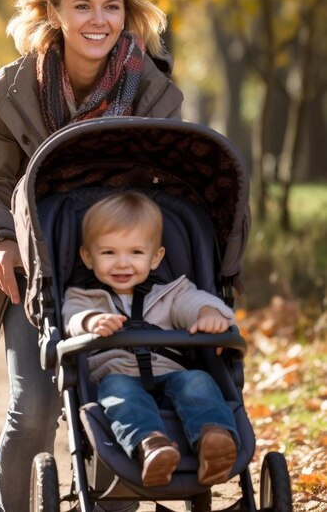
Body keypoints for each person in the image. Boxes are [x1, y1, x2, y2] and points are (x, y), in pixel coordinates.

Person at [0, 0, 184, 512]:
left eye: (111, 7)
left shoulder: (154, 93)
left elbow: (171, 192)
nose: (98, 20)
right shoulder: (12, 89)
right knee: (33, 410)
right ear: (54, 12)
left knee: (120, 398)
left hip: (121, 271)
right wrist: (0, 242)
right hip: (33, 270)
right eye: (82, 6)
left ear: (127, 14)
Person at [62, 191, 239, 488]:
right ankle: (151, 445)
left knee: (198, 380)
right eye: (108, 253)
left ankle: (214, 439)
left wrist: (209, 314)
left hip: (170, 373)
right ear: (87, 257)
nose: (122, 263)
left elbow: (195, 304)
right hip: (117, 375)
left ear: (156, 257)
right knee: (118, 391)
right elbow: (72, 317)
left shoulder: (172, 294)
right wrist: (91, 321)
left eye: (135, 252)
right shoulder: (83, 298)